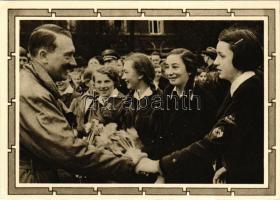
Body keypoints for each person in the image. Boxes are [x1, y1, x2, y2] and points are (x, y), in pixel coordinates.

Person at [20, 24, 147, 183]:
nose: (73, 62)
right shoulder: (33, 93)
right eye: (68, 55)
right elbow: (69, 151)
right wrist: (130, 165)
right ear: (43, 55)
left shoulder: (33, 85)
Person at [135, 27, 264, 184]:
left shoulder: (248, 92)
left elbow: (214, 141)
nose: (215, 62)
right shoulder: (245, 87)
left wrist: (160, 165)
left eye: (222, 56)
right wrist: (233, 166)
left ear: (240, 58)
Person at [149, 48, 217, 183]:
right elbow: (159, 135)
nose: (169, 72)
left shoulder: (205, 98)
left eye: (175, 67)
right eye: (167, 67)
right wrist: (160, 173)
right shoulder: (165, 96)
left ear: (190, 70)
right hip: (167, 170)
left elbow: (206, 142)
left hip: (194, 173)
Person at [121, 53, 162, 156]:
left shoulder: (161, 101)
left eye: (126, 72)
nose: (123, 77)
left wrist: (139, 143)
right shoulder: (128, 99)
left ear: (140, 74)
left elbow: (162, 141)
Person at [73, 66, 125, 137]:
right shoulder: (94, 102)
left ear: (114, 82)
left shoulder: (124, 102)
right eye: (99, 82)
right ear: (94, 84)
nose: (102, 86)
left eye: (107, 81)